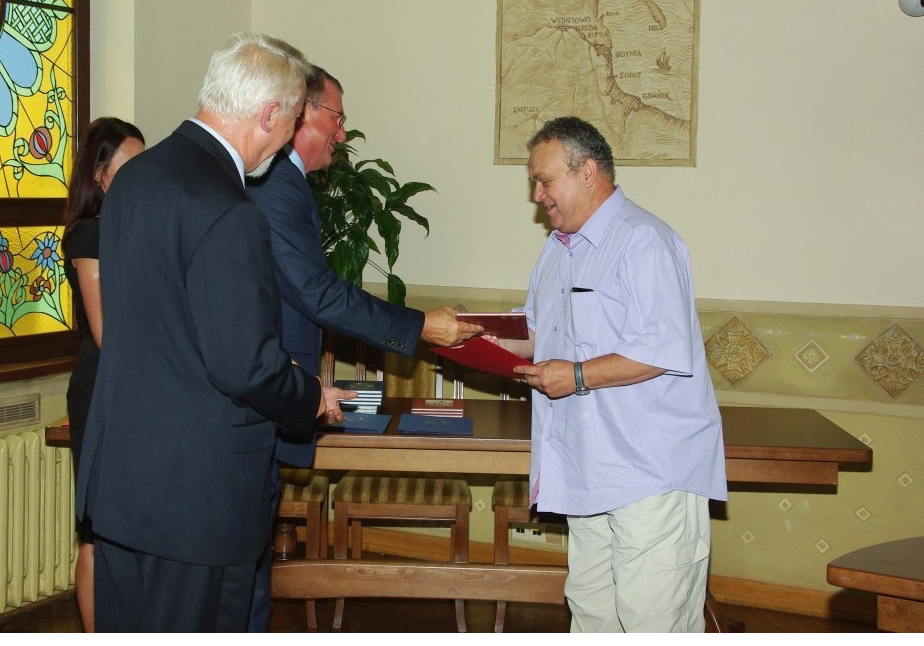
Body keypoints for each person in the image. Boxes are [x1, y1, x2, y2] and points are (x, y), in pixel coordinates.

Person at [74, 32, 352, 632]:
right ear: (269, 114)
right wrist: (310, 396)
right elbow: (243, 364)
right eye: (294, 119)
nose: (287, 141)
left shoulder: (136, 181)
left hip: (123, 488)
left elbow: (158, 332)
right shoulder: (229, 207)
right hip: (197, 502)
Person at [244, 66, 480, 631]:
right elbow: (317, 293)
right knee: (246, 566)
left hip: (280, 384)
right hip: (264, 394)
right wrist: (420, 326)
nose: (343, 135)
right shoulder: (275, 187)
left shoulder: (285, 183)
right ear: (304, 113)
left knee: (250, 562)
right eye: (338, 118)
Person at [497, 117, 727, 632]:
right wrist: (473, 335)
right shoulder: (557, 250)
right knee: (593, 614)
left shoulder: (644, 241)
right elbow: (539, 333)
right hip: (587, 467)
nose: (537, 195)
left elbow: (661, 349)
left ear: (588, 172)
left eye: (544, 180)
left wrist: (575, 375)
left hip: (650, 473)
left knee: (653, 622)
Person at [62, 116, 145, 633]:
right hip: (103, 392)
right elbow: (107, 333)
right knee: (96, 532)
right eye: (130, 168)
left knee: (132, 529)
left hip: (136, 388)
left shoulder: (134, 227)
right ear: (100, 175)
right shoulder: (89, 234)